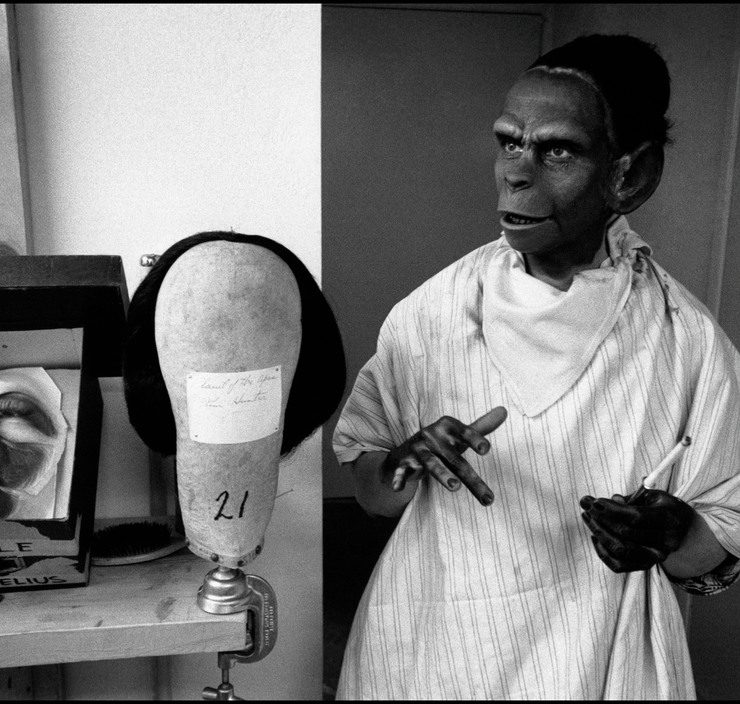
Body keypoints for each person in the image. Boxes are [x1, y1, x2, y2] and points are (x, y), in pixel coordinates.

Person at [332, 34, 740, 699]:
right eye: (508, 143)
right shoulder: (431, 315)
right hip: (430, 647)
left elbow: (714, 555)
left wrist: (673, 532)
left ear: (630, 175)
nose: (515, 173)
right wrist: (404, 461)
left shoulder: (685, 343)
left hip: (599, 662)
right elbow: (372, 491)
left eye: (557, 150)